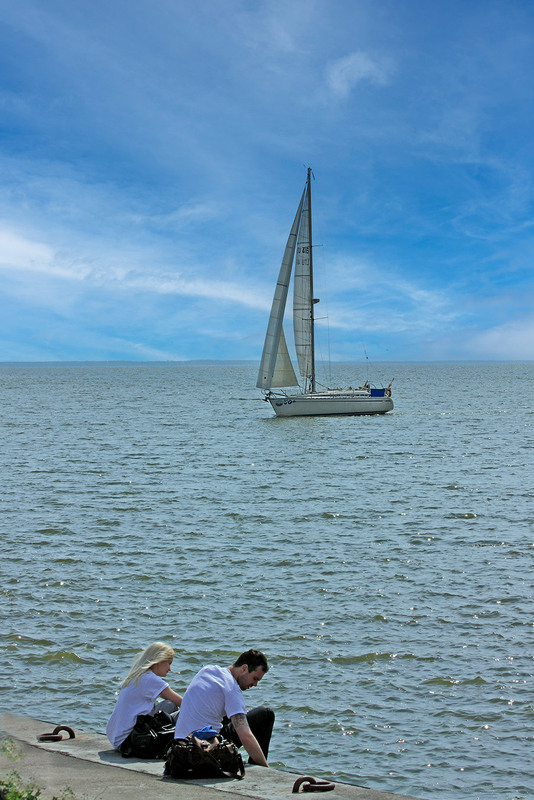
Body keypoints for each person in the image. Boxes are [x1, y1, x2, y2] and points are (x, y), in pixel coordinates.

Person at [174, 648, 274, 767]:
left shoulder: (207, 671)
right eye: (255, 678)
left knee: (232, 716)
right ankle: (259, 767)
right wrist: (267, 769)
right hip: (205, 748)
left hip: (180, 746)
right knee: (265, 714)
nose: (255, 684)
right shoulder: (232, 689)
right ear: (244, 668)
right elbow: (245, 736)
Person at [107, 641, 183, 752]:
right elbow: (183, 702)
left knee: (168, 706)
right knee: (179, 709)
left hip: (117, 738)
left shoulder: (137, 676)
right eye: (169, 663)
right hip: (131, 740)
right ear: (159, 661)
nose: (170, 669)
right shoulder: (149, 679)